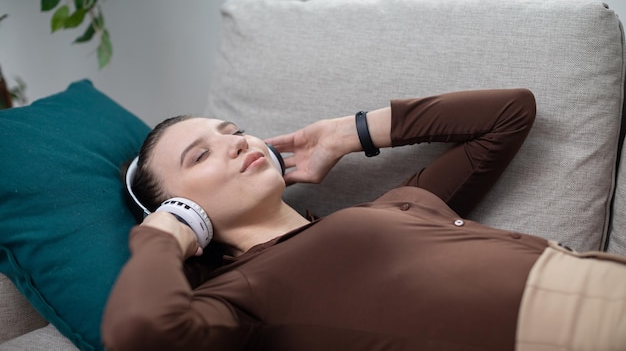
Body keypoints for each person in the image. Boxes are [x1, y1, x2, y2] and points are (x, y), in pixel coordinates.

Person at [101, 89, 626, 351]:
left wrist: (346, 134)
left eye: (231, 129)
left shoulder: (395, 205)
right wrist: (163, 234)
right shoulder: (238, 295)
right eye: (200, 156)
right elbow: (142, 331)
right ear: (180, 208)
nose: (236, 140)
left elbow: (509, 113)